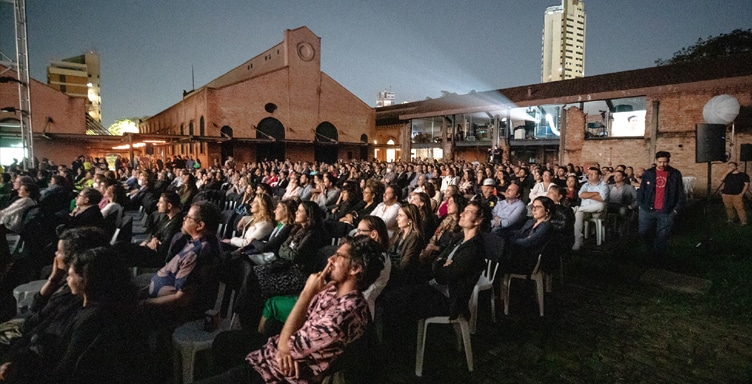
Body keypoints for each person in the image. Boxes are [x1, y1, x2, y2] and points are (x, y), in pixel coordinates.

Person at [200, 236, 384, 384]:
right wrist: (283, 348)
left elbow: (288, 345)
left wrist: (306, 294)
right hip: (278, 354)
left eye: (339, 256)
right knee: (223, 341)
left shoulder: (348, 313)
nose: (330, 259)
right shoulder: (331, 289)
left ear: (355, 269)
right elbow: (300, 325)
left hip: (281, 374)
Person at [0, 246, 136, 384]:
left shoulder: (93, 321)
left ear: (85, 280)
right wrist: (15, 360)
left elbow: (65, 370)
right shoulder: (79, 304)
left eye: (71, 276)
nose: (67, 280)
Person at [380, 201, 489, 332]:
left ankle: (398, 342)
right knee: (395, 290)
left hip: (448, 299)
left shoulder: (473, 249)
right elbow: (438, 261)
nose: (462, 214)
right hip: (435, 287)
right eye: (463, 210)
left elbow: (444, 275)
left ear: (478, 221)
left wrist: (440, 264)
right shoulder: (459, 238)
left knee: (395, 299)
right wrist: (441, 263)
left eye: (468, 212)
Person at [139, 200, 222, 326]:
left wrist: (145, 303)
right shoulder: (196, 241)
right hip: (156, 300)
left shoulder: (200, 252)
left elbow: (181, 299)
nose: (183, 218)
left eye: (188, 217)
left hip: (171, 313)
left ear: (200, 226)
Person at [636, 151, 686, 261]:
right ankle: (648, 252)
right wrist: (640, 203)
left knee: (663, 235)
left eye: (665, 162)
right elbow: (642, 190)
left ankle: (657, 258)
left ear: (668, 161)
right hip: (647, 209)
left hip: (666, 210)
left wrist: (676, 209)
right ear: (655, 161)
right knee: (643, 232)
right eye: (660, 162)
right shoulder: (649, 173)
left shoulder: (675, 173)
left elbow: (680, 192)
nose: (662, 164)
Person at [501, 196, 555, 273]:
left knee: (499, 258)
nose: (534, 209)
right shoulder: (531, 221)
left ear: (547, 210)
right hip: (518, 253)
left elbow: (529, 242)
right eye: (533, 206)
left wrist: (509, 241)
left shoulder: (546, 226)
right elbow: (518, 234)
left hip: (529, 259)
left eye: (538, 207)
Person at [572, 167, 609, 251]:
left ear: (599, 176)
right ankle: (578, 241)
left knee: (601, 205)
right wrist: (595, 193)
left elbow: (602, 198)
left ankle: (579, 208)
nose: (591, 175)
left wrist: (588, 195)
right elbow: (581, 195)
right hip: (585, 211)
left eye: (594, 173)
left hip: (598, 212)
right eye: (589, 173)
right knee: (578, 214)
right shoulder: (585, 185)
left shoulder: (604, 185)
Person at [720, 162, 749, 226]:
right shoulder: (728, 175)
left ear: (736, 166)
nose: (731, 167)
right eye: (729, 166)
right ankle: (731, 219)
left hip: (737, 194)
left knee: (740, 208)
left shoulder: (743, 175)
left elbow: (746, 185)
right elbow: (721, 180)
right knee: (728, 208)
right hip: (726, 194)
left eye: (732, 166)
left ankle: (743, 221)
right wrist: (727, 172)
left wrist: (742, 193)